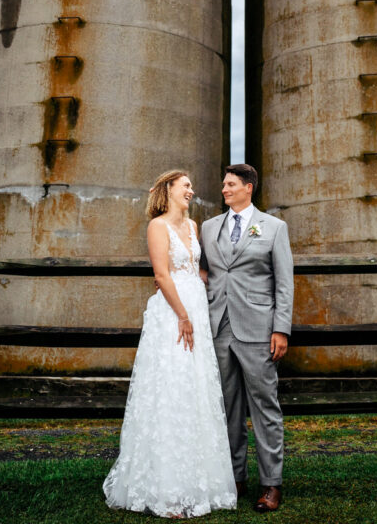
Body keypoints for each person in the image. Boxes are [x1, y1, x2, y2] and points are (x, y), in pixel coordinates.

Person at [103, 169, 237, 519]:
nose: (192, 191)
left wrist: (227, 283)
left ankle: (197, 483)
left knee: (195, 391)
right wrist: (183, 316)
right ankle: (165, 489)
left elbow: (198, 272)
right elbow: (161, 275)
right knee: (171, 389)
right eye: (186, 186)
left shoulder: (193, 228)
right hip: (173, 315)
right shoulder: (157, 227)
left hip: (196, 309)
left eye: (191, 186)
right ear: (169, 190)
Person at [200, 164, 294, 514]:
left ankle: (271, 484)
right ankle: (234, 479)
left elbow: (284, 283)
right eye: (223, 184)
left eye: (230, 184)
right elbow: (205, 270)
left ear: (248, 188)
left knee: (265, 408)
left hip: (258, 331)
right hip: (218, 328)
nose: (224, 189)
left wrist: (281, 328)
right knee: (227, 409)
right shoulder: (209, 228)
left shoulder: (274, 228)